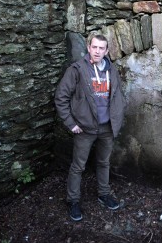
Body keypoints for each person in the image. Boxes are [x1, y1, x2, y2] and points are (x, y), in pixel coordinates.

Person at [55, 34, 126, 221]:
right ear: (89, 47)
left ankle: (104, 194)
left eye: (102, 48)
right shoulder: (77, 69)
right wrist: (71, 123)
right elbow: (61, 97)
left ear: (107, 51)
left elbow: (117, 95)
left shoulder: (112, 70)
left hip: (106, 128)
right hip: (85, 128)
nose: (98, 51)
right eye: (95, 47)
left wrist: (117, 118)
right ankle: (73, 201)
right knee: (78, 166)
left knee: (104, 162)